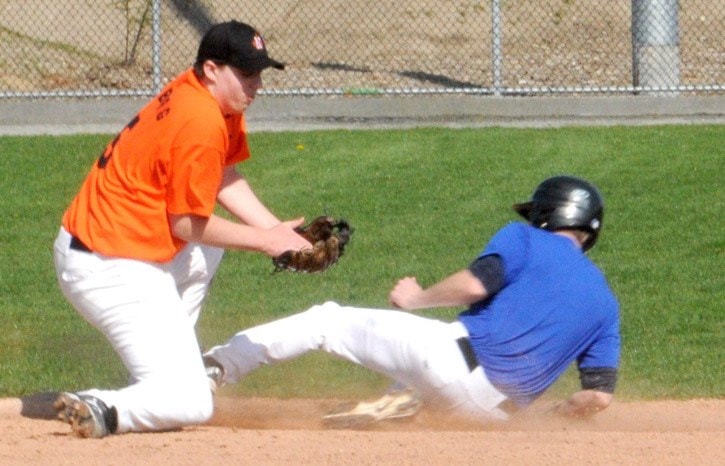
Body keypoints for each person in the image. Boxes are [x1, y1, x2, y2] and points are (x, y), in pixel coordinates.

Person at [52, 20, 312, 438]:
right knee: (193, 402)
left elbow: (223, 174)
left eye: (259, 73)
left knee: (210, 250)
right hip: (107, 265)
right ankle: (104, 405)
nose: (256, 84)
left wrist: (279, 231)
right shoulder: (201, 120)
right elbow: (187, 223)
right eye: (245, 73)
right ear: (212, 69)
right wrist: (267, 241)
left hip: (119, 246)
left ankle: (171, 368)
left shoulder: (208, 97)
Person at [203, 175, 621, 424]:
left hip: (449, 362)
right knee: (423, 368)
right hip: (491, 417)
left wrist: (417, 297)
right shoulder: (605, 304)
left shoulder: (526, 238)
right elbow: (598, 397)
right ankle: (402, 399)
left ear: (545, 215)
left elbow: (476, 285)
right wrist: (546, 422)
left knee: (325, 321)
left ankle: (215, 367)